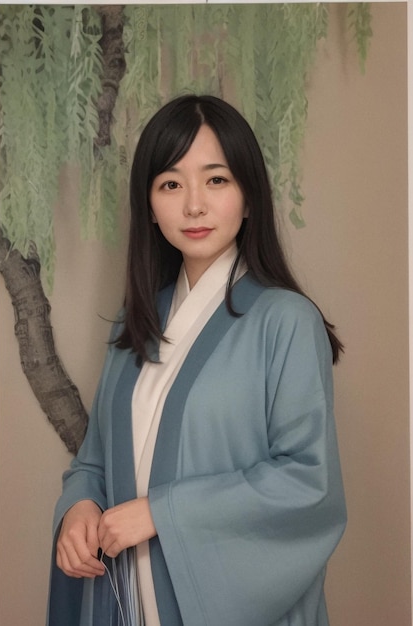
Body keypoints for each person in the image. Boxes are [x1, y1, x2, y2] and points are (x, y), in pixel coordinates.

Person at [47, 94, 346, 626]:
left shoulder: (286, 321)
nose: (193, 206)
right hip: (126, 602)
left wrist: (162, 513)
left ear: (249, 197)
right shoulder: (133, 323)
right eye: (170, 184)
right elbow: (93, 462)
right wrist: (78, 508)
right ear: (150, 205)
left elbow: (307, 483)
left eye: (216, 180)